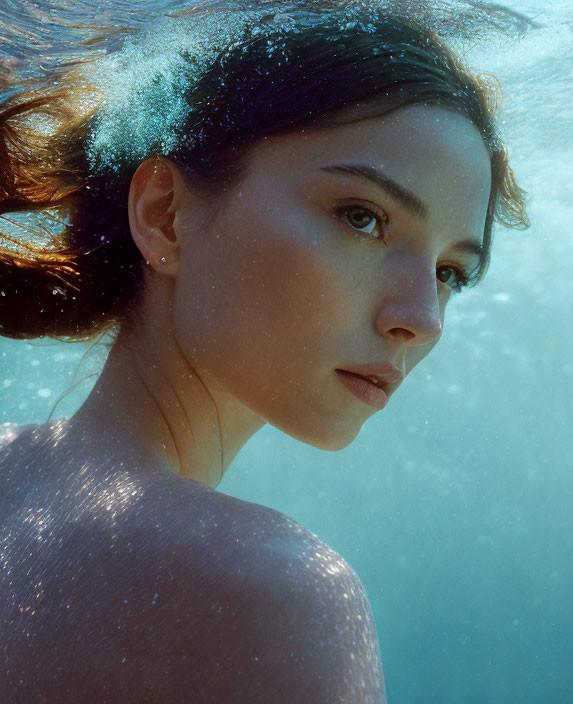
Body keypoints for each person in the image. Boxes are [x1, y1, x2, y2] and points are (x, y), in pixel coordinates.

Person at [0, 2, 528, 701]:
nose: (423, 319)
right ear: (164, 213)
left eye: (450, 272)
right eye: (362, 217)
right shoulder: (278, 595)